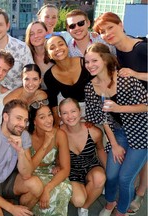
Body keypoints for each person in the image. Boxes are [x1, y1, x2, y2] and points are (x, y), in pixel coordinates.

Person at [93, 12, 148, 215]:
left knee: (129, 174)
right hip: (127, 121)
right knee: (119, 171)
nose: (107, 34)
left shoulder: (141, 48)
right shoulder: (116, 51)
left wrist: (136, 74)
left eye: (110, 28)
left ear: (121, 24)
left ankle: (130, 202)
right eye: (102, 31)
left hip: (144, 116)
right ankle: (115, 201)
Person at [0, 99, 43, 216]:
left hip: (7, 180)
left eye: (25, 120)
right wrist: (11, 208)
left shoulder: (23, 135)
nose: (22, 124)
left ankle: (21, 212)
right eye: (18, 118)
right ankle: (8, 209)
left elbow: (27, 174)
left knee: (36, 185)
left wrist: (20, 151)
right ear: (5, 117)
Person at [59, 98, 106, 216]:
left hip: (92, 166)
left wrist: (108, 172)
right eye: (65, 113)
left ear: (80, 112)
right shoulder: (58, 134)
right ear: (60, 116)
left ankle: (85, 208)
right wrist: (57, 166)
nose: (70, 116)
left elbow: (100, 149)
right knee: (78, 201)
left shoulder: (95, 132)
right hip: (72, 171)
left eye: (73, 111)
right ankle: (93, 190)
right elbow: (56, 155)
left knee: (100, 178)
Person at [0, 7, 34, 93]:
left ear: (8, 26)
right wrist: (1, 90)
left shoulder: (22, 48)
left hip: (20, 94)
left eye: (0, 24)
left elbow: (31, 76)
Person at [44, 35, 92, 126]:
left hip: (94, 109)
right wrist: (57, 121)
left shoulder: (85, 63)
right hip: (70, 115)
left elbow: (100, 88)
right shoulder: (49, 76)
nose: (57, 49)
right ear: (48, 55)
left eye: (61, 44)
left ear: (67, 47)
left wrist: (91, 117)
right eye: (52, 48)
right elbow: (53, 100)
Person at [0, 64, 47, 132]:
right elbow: (10, 127)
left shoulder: (41, 95)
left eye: (35, 79)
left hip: (7, 124)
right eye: (27, 79)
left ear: (40, 80)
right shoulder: (14, 100)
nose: (31, 84)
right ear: (22, 79)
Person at [25, 21, 53, 89]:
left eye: (40, 32)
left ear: (47, 33)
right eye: (31, 34)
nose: (36, 36)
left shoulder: (55, 54)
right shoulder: (26, 57)